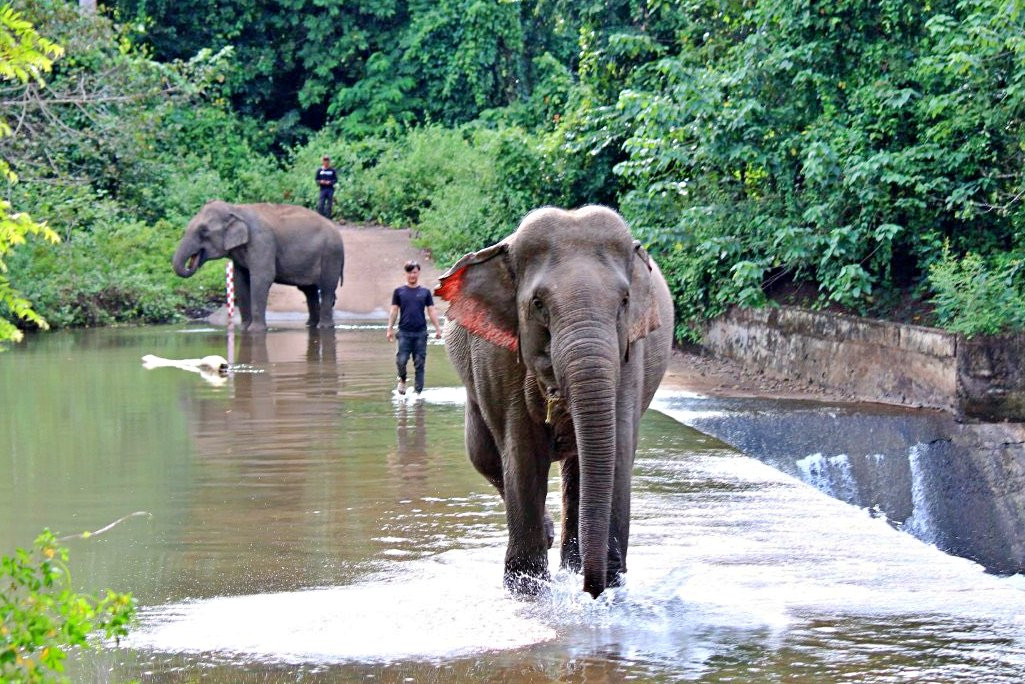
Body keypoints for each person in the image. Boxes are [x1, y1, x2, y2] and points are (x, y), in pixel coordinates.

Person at [387, 260, 443, 395]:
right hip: (404, 332)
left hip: (420, 333)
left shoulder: (425, 292)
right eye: (410, 272)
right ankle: (402, 379)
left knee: (419, 363)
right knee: (401, 360)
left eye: (415, 272)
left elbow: (431, 310)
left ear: (418, 273)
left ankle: (418, 394)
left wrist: (438, 328)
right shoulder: (399, 292)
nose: (412, 275)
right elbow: (394, 310)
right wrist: (390, 328)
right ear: (406, 274)